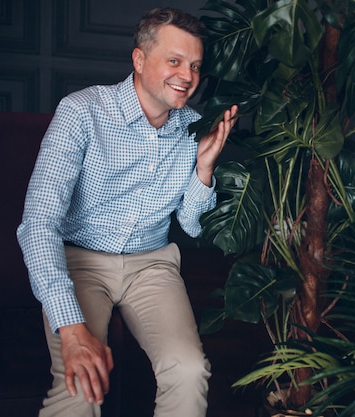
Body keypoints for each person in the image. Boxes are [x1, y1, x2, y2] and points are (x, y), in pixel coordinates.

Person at [17, 7, 237, 417]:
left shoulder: (192, 127)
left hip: (152, 265)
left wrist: (204, 169)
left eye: (194, 65)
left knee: (189, 372)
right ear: (139, 60)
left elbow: (190, 224)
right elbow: (38, 222)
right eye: (174, 61)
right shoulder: (81, 111)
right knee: (81, 388)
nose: (187, 76)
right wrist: (71, 328)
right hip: (79, 260)